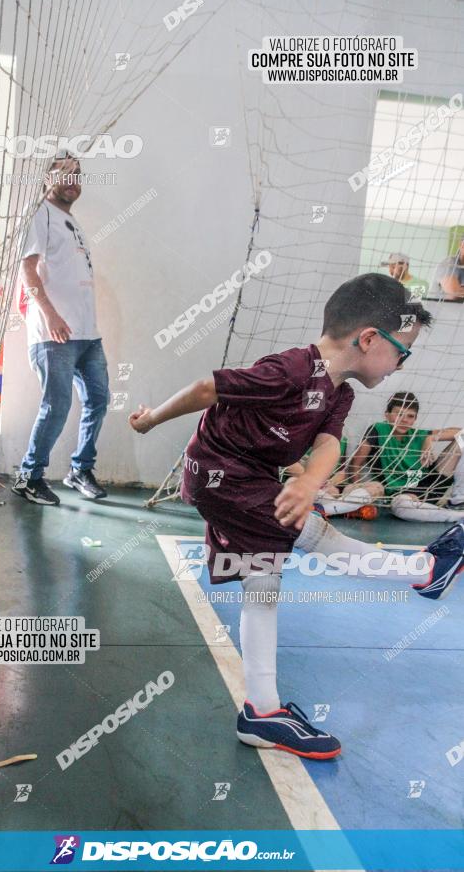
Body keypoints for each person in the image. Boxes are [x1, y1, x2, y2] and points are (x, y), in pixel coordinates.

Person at [130, 274, 464, 759]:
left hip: (250, 477)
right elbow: (207, 388)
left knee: (262, 585)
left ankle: (261, 714)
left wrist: (308, 481)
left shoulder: (339, 392)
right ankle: (425, 571)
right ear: (369, 339)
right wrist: (150, 419)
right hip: (222, 475)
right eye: (403, 350)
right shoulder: (290, 370)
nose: (401, 363)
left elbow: (328, 442)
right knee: (310, 530)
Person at [12, 154, 110, 506]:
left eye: (78, 174)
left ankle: (80, 470)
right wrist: (51, 315)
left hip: (87, 334)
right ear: (46, 178)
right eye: (64, 173)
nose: (72, 179)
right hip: (54, 334)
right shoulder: (40, 214)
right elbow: (27, 270)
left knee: (98, 399)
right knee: (57, 405)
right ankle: (30, 476)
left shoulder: (72, 221)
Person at [349, 391, 464, 522]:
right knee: (401, 507)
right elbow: (355, 463)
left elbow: (460, 432)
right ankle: (456, 516)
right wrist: (358, 494)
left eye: (410, 416)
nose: (404, 420)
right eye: (399, 414)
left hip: (431, 485)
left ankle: (457, 503)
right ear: (387, 415)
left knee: (462, 441)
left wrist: (430, 438)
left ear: (415, 419)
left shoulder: (418, 434)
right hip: (401, 495)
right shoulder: (378, 430)